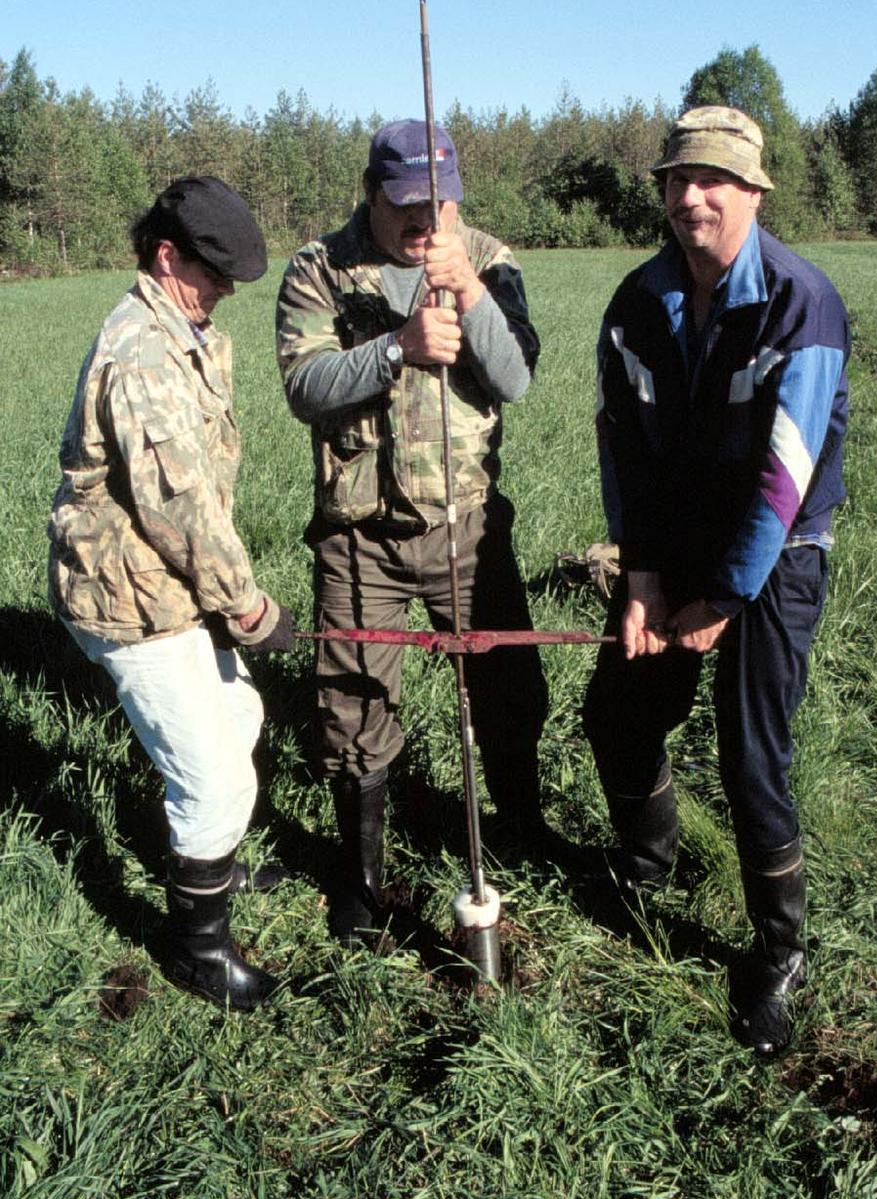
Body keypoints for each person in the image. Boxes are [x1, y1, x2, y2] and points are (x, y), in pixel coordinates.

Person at [583, 107, 850, 1056]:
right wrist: (646, 579)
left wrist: (722, 601)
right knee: (616, 712)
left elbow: (786, 476)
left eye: (715, 181)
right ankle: (647, 863)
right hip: (678, 549)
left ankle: (777, 953)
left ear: (752, 193)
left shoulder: (798, 302)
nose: (691, 197)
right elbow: (623, 450)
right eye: (677, 179)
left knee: (750, 760)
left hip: (775, 556)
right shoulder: (636, 303)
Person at [275, 120, 549, 944]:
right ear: (371, 193)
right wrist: (396, 348)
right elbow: (304, 385)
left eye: (439, 204)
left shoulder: (489, 261)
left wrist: (467, 291)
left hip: (470, 532)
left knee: (509, 692)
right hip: (362, 538)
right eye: (405, 207)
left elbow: (516, 376)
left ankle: (523, 834)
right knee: (353, 712)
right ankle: (360, 884)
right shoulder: (320, 270)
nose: (424, 223)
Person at [48, 176, 296, 1011]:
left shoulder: (184, 327)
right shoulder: (144, 353)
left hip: (171, 585)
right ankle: (196, 950)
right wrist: (248, 606)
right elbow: (180, 507)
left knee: (242, 719)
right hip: (129, 596)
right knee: (217, 777)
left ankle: (207, 866)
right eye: (215, 273)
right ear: (166, 255)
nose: (226, 291)